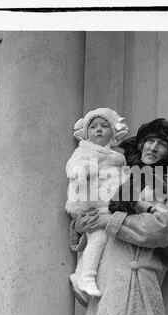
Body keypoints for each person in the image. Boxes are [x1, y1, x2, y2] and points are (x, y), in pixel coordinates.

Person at [69, 118, 168, 315]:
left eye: (161, 144)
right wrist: (82, 223)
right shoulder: (119, 176)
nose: (153, 148)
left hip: (140, 281)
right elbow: (91, 208)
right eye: (149, 141)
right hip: (107, 279)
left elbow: (159, 230)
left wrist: (112, 221)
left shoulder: (166, 186)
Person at [65, 108, 128, 300]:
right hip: (90, 202)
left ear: (113, 131)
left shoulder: (118, 156)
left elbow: (124, 177)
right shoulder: (84, 151)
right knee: (98, 238)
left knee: (100, 239)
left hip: (109, 204)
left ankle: (79, 275)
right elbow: (72, 167)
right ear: (86, 133)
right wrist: (81, 170)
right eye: (93, 127)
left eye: (104, 126)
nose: (98, 130)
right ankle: (87, 277)